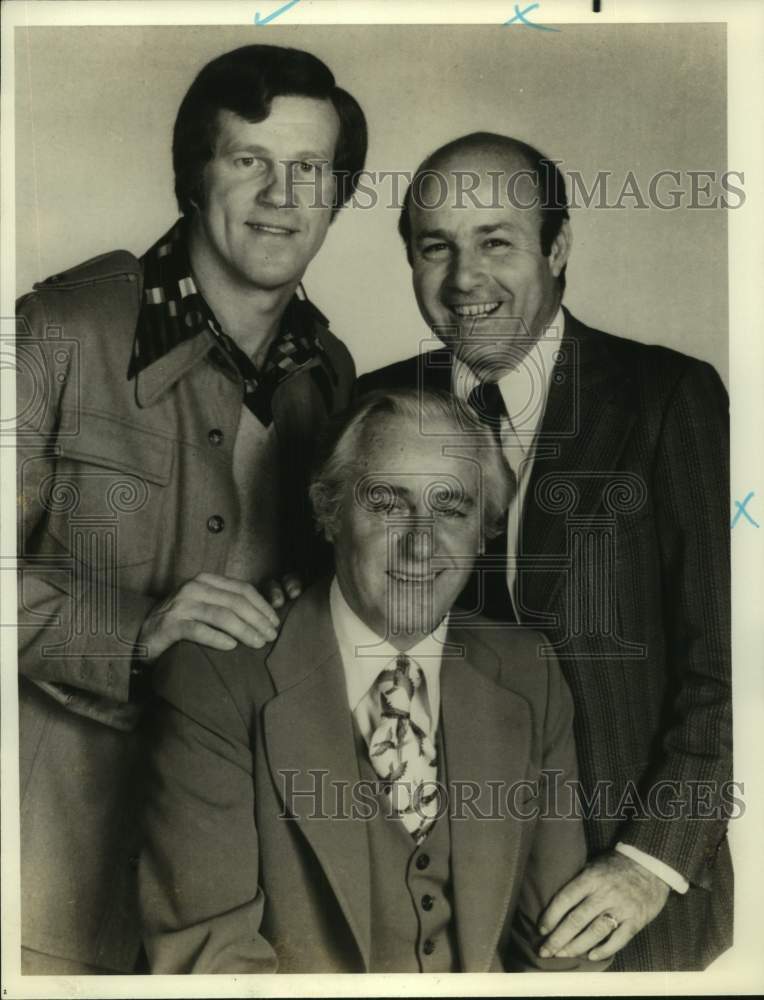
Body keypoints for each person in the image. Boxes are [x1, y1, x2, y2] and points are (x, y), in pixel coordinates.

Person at [15, 44, 366, 974]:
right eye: (249, 160)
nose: (282, 195)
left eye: (310, 170)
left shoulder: (330, 378)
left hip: (232, 895)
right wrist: (135, 628)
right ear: (191, 174)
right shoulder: (54, 332)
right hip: (50, 880)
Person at [356, 133, 732, 971]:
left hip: (617, 902)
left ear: (557, 248)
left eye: (496, 241)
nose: (463, 280)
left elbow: (735, 664)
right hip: (424, 908)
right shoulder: (373, 408)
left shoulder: (668, 400)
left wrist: (649, 862)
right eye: (436, 247)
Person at [139, 388, 612, 974]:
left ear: (485, 530)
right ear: (330, 512)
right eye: (387, 503)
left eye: (453, 508)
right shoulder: (217, 675)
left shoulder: (527, 669)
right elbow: (209, 961)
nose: (420, 543)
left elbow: (557, 954)